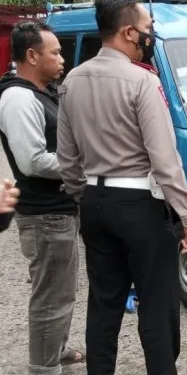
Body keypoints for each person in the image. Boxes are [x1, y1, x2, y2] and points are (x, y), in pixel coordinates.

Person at [56, 0, 187, 374]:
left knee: (104, 303)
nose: (149, 36)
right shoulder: (141, 81)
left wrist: (83, 195)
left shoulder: (73, 80)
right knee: (156, 304)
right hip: (140, 205)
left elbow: (67, 157)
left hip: (93, 202)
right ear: (127, 32)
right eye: (147, 29)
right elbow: (164, 158)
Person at [0, 21, 85, 375]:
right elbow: (32, 161)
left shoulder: (41, 92)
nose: (62, 59)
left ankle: (55, 350)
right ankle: (44, 367)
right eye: (56, 52)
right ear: (32, 56)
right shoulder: (18, 97)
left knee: (61, 293)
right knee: (50, 298)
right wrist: (81, 164)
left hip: (58, 210)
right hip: (44, 216)